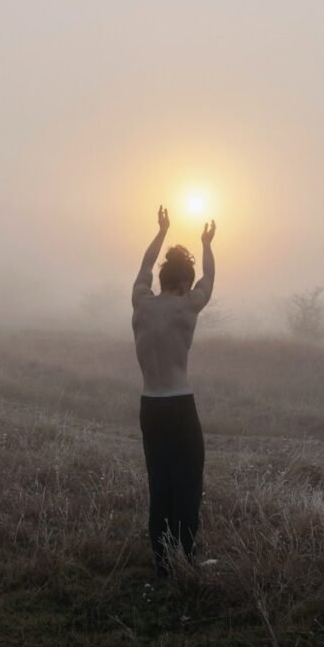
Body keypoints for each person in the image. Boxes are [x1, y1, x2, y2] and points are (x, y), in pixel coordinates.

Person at [132, 204, 216, 576]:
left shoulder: (140, 302)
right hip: (179, 406)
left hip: (149, 405)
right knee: (187, 481)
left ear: (161, 279)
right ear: (184, 283)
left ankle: (163, 560)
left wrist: (161, 231)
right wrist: (207, 243)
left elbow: (144, 265)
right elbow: (209, 281)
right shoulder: (188, 307)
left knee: (160, 480)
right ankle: (186, 559)